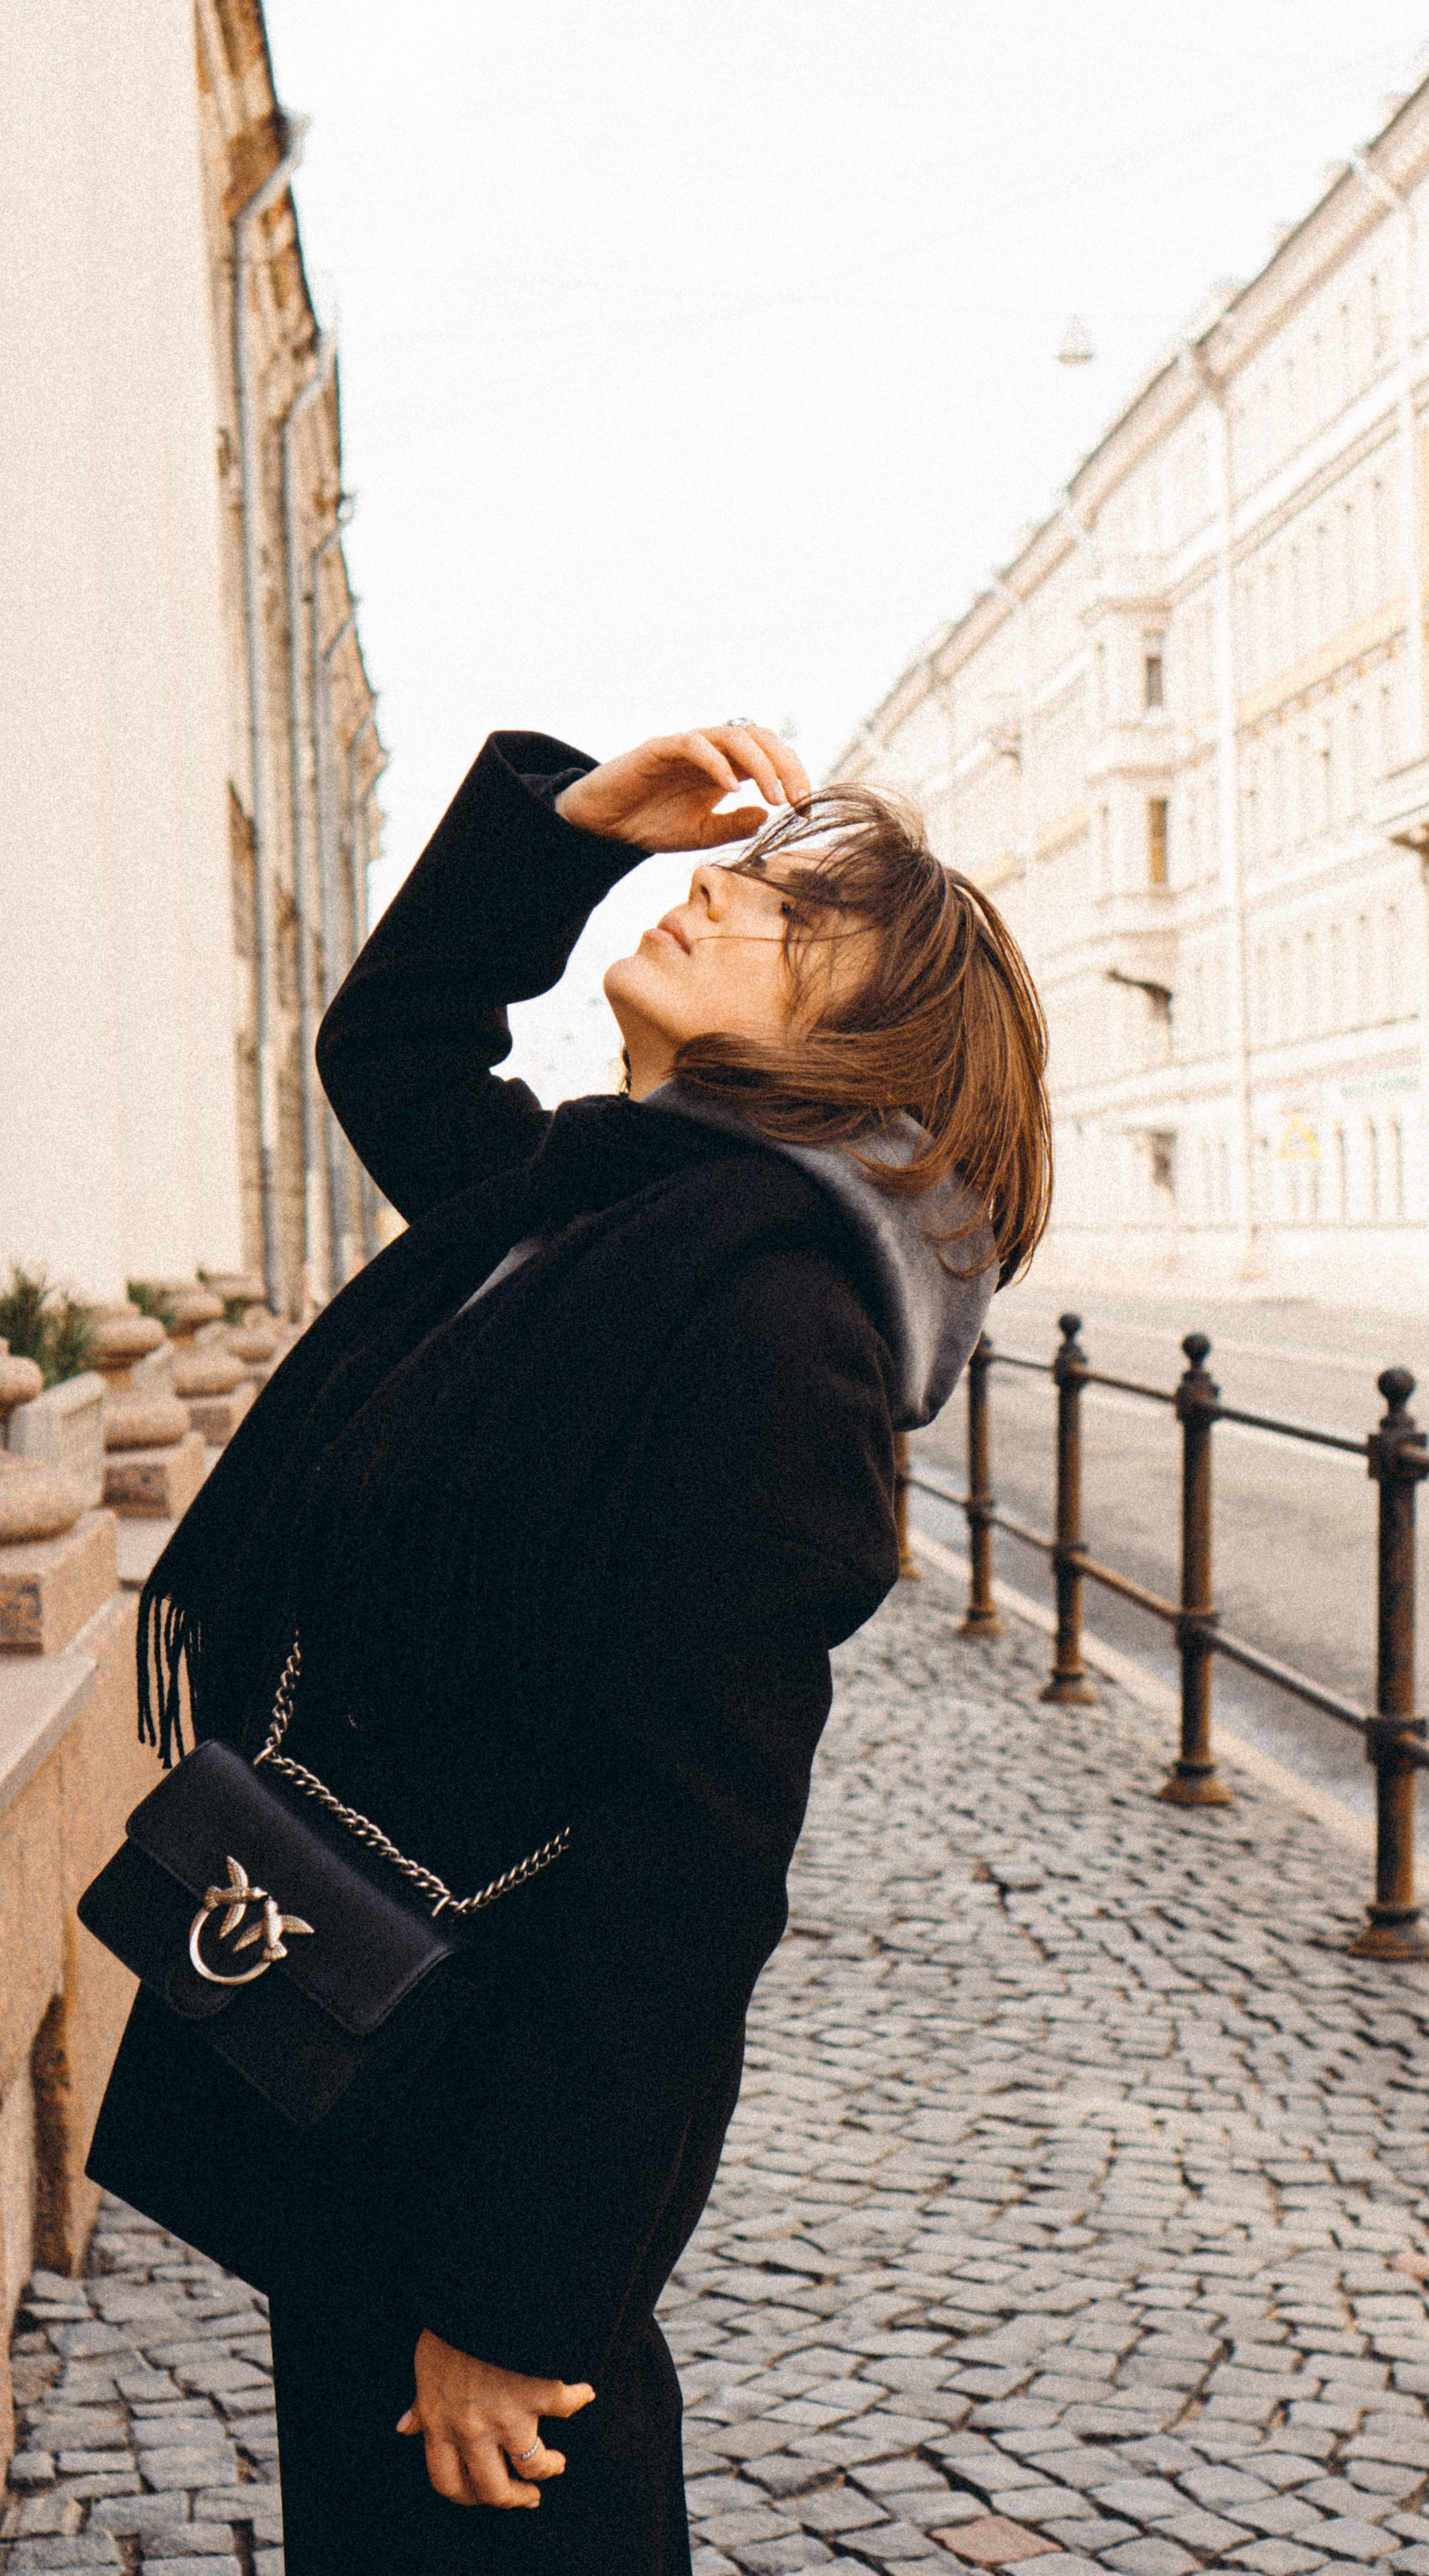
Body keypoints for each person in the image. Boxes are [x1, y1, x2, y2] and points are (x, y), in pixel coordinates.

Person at [85, 722, 1052, 2576]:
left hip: (484, 2155)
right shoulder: (595, 1213)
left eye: (782, 913)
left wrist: (527, 2308)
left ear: (868, 1042)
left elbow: (686, 1886)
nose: (717, 890)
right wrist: (573, 834)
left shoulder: (770, 1330)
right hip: (370, 2071)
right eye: (744, 873)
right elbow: (393, 1049)